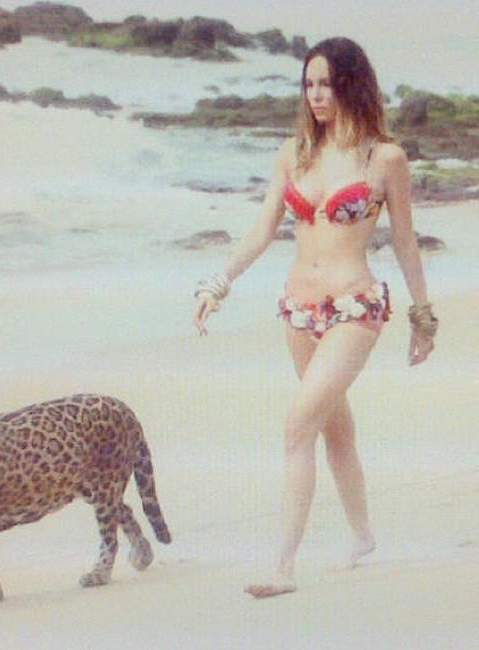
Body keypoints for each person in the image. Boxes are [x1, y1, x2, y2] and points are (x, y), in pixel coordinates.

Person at [193, 37, 438, 598]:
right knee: (334, 429)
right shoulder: (294, 152)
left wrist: (422, 317)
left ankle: (282, 568)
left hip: (355, 307)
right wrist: (218, 283)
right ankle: (363, 535)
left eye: (327, 83)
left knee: (297, 426)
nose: (317, 95)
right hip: (298, 311)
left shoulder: (384, 158)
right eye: (309, 84)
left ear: (351, 84)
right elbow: (262, 231)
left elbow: (405, 242)